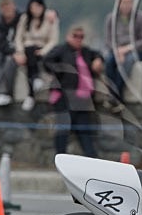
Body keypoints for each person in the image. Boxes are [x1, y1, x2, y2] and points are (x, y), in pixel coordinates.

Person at [44, 26, 104, 157]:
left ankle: (92, 161)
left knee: (84, 132)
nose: (78, 39)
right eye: (75, 36)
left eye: (81, 37)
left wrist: (98, 60)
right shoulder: (61, 50)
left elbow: (98, 54)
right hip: (65, 97)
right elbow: (47, 61)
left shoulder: (86, 52)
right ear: (68, 36)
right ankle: (60, 159)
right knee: (63, 131)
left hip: (83, 100)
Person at [103, 0, 142, 110]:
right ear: (119, 3)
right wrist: (117, 50)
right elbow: (108, 40)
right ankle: (112, 93)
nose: (126, 5)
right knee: (109, 61)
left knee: (128, 62)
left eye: (129, 2)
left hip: (136, 50)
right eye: (124, 2)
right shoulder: (111, 18)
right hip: (117, 50)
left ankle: (116, 96)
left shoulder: (141, 17)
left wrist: (127, 49)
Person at [14, 0, 59, 111]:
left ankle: (31, 93)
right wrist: (20, 51)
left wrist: (43, 51)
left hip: (45, 49)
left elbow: (53, 39)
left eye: (37, 7)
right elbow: (18, 38)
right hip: (27, 49)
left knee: (33, 55)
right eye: (32, 8)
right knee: (30, 50)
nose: (35, 10)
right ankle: (35, 80)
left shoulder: (50, 17)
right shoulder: (25, 18)